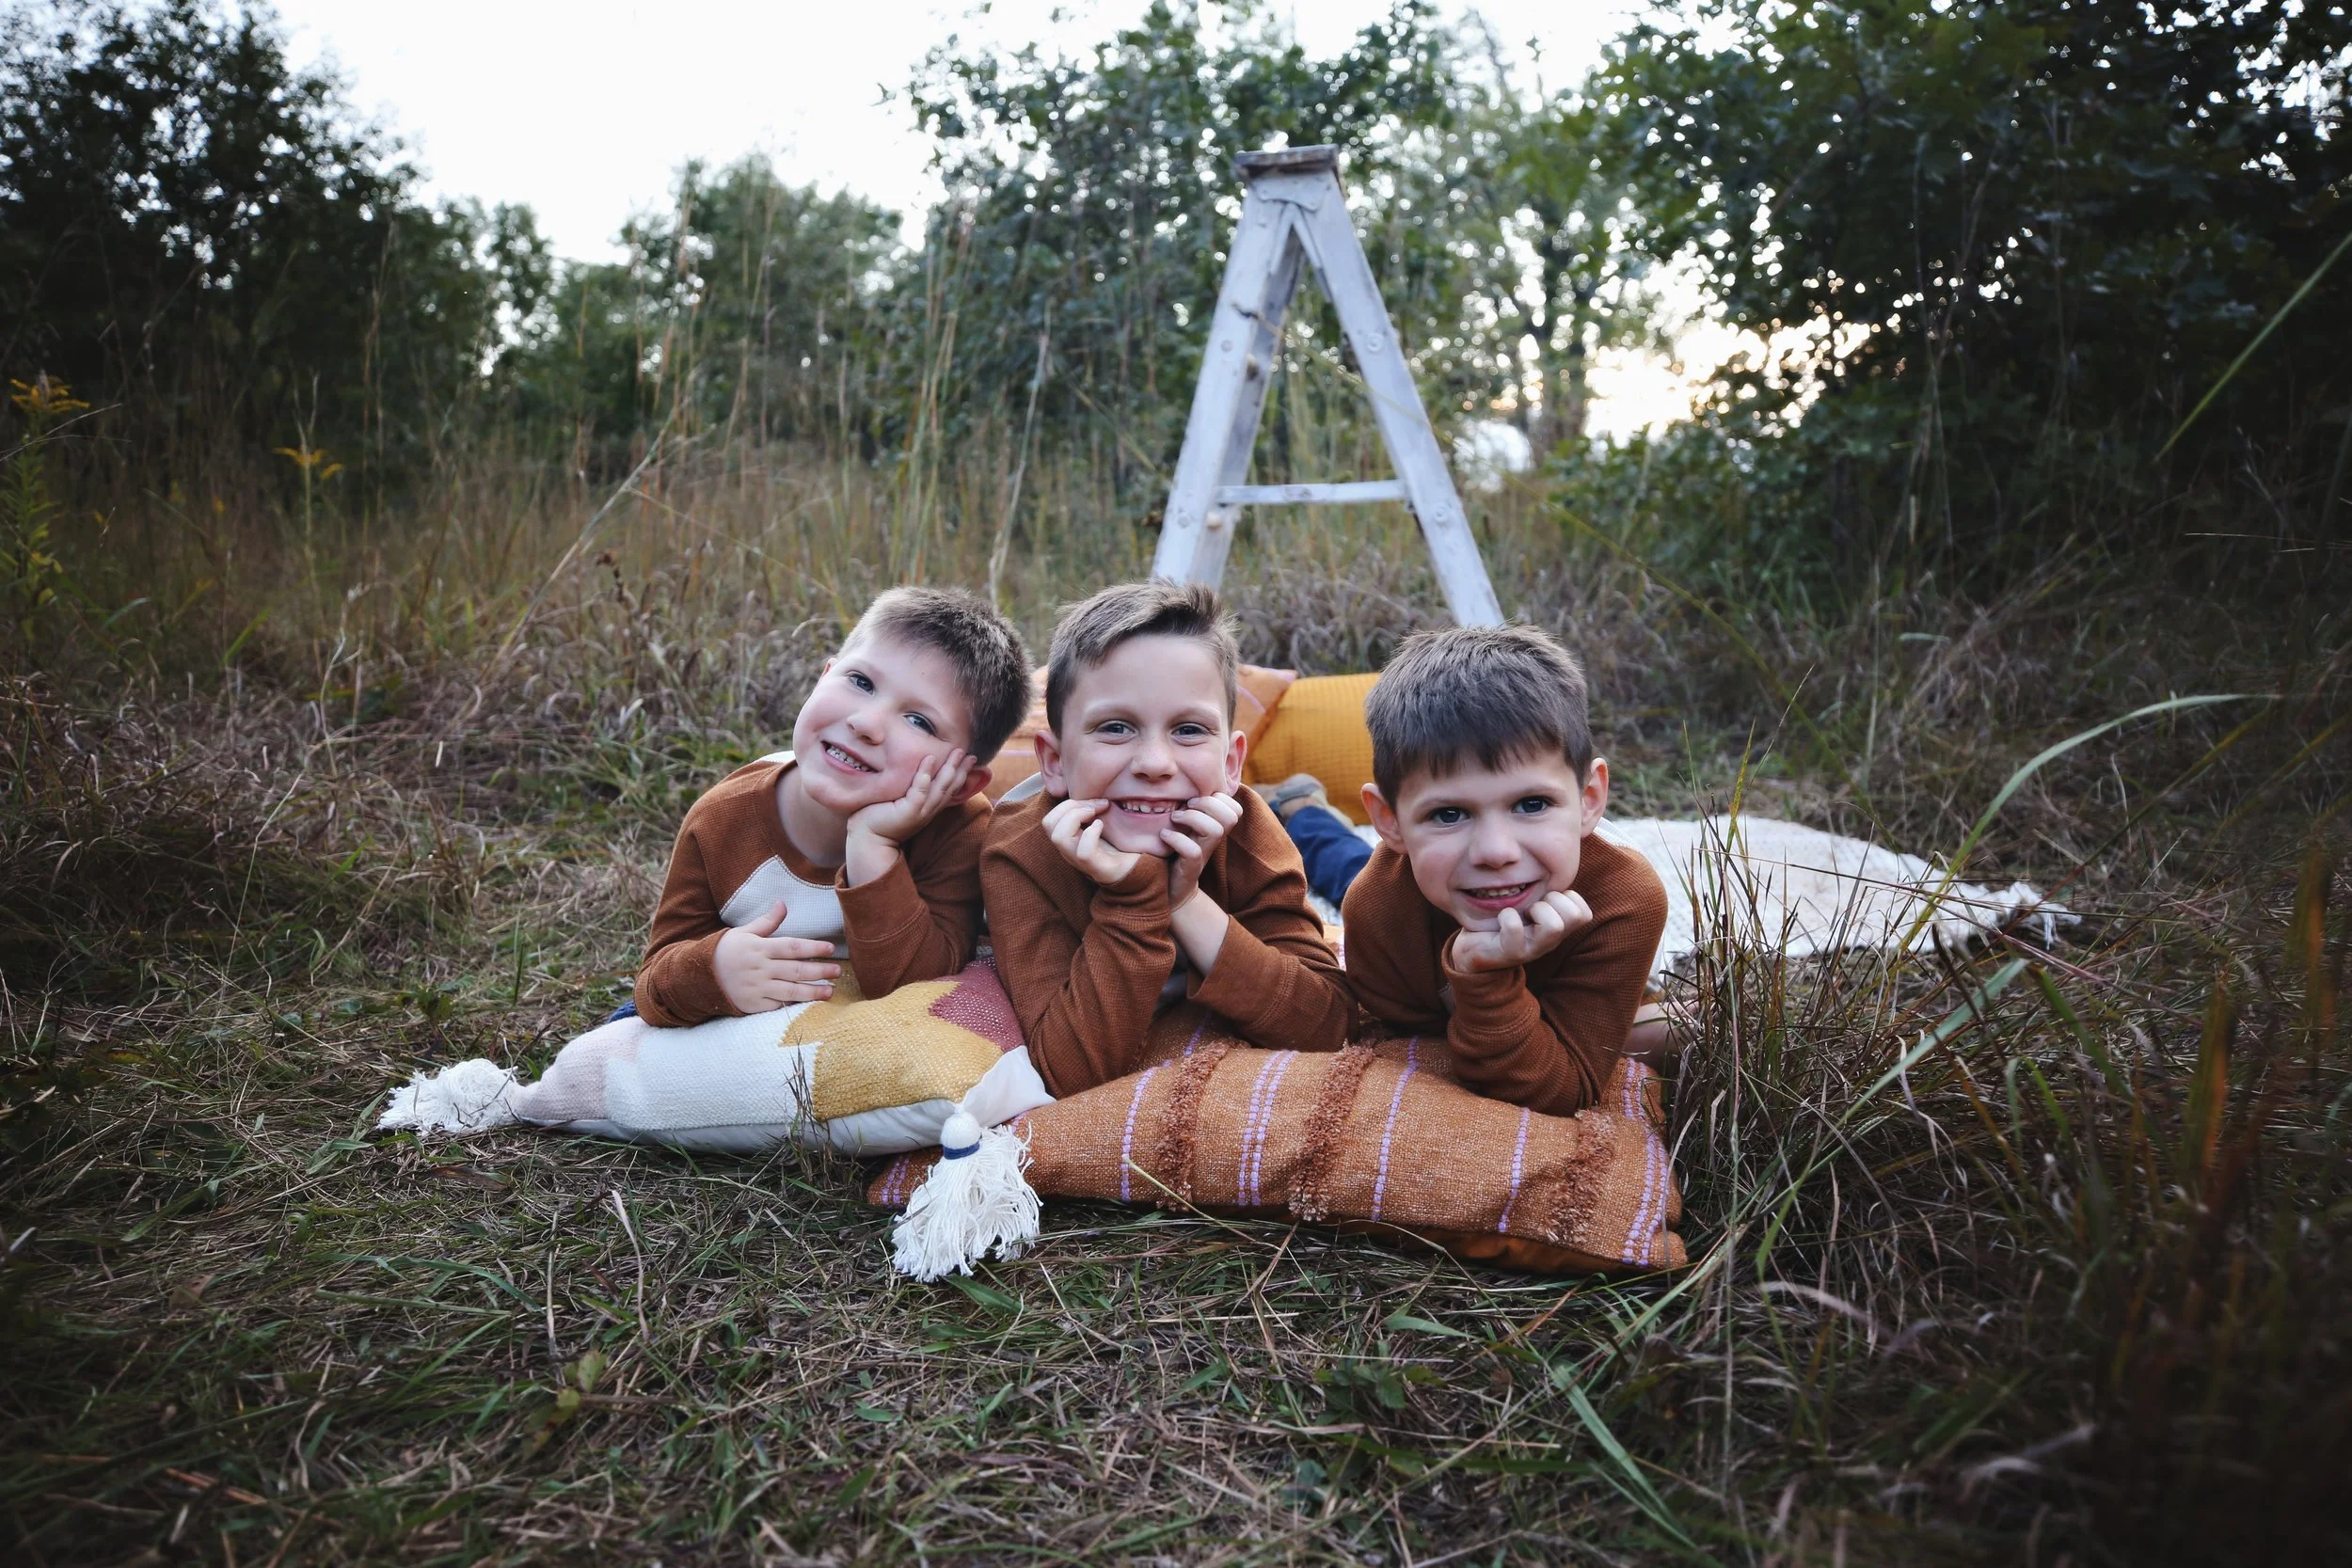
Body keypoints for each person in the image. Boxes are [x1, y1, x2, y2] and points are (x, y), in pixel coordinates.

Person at [982, 580, 1351, 1096]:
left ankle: (1298, 803)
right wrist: (1135, 899)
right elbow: (1066, 1071)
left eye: (1189, 730)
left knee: (1320, 834)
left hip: (1238, 812)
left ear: (1230, 764)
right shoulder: (1018, 853)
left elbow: (1327, 1025)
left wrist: (1184, 900)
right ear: (1054, 760)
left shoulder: (1245, 827)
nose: (1155, 763)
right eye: (1115, 728)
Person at [629, 587, 1031, 1026]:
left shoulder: (959, 829)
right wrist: (713, 970)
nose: (866, 724)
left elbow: (918, 990)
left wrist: (873, 844)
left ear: (962, 783)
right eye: (861, 682)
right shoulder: (722, 821)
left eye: (919, 721)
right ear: (824, 677)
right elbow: (653, 984)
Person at [1339, 624, 1670, 1117]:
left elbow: (1564, 1087)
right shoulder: (1375, 910)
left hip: (1438, 879)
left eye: (1532, 804)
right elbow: (1412, 1043)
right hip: (1407, 878)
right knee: (1336, 862)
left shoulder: (1625, 898)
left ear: (1589, 800)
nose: (1496, 852)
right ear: (1390, 821)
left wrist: (1484, 978)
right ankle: (1306, 812)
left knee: (1680, 1033)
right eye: (1448, 814)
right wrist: (1480, 972)